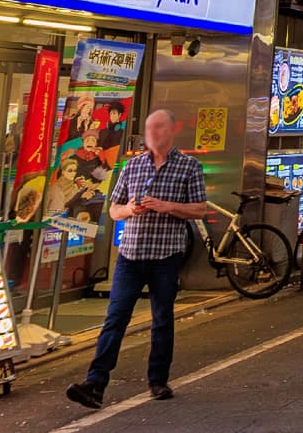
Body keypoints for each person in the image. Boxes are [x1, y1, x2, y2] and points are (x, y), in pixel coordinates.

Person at [66, 110, 206, 409]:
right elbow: (113, 209)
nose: (153, 133)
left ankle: (158, 380)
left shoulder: (189, 166)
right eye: (149, 128)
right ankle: (95, 383)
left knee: (162, 318)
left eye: (159, 127)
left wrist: (167, 206)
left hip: (166, 255)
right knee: (115, 318)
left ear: (172, 130)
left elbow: (199, 209)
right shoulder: (133, 166)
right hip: (130, 255)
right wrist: (129, 209)